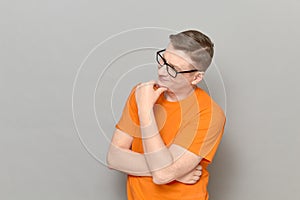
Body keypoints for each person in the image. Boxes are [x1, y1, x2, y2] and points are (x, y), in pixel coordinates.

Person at [106, 30, 226, 200]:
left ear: (196, 77)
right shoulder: (142, 93)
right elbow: (113, 158)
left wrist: (146, 111)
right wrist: (174, 172)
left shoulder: (209, 114)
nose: (162, 72)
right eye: (163, 60)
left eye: (174, 69)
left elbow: (161, 175)